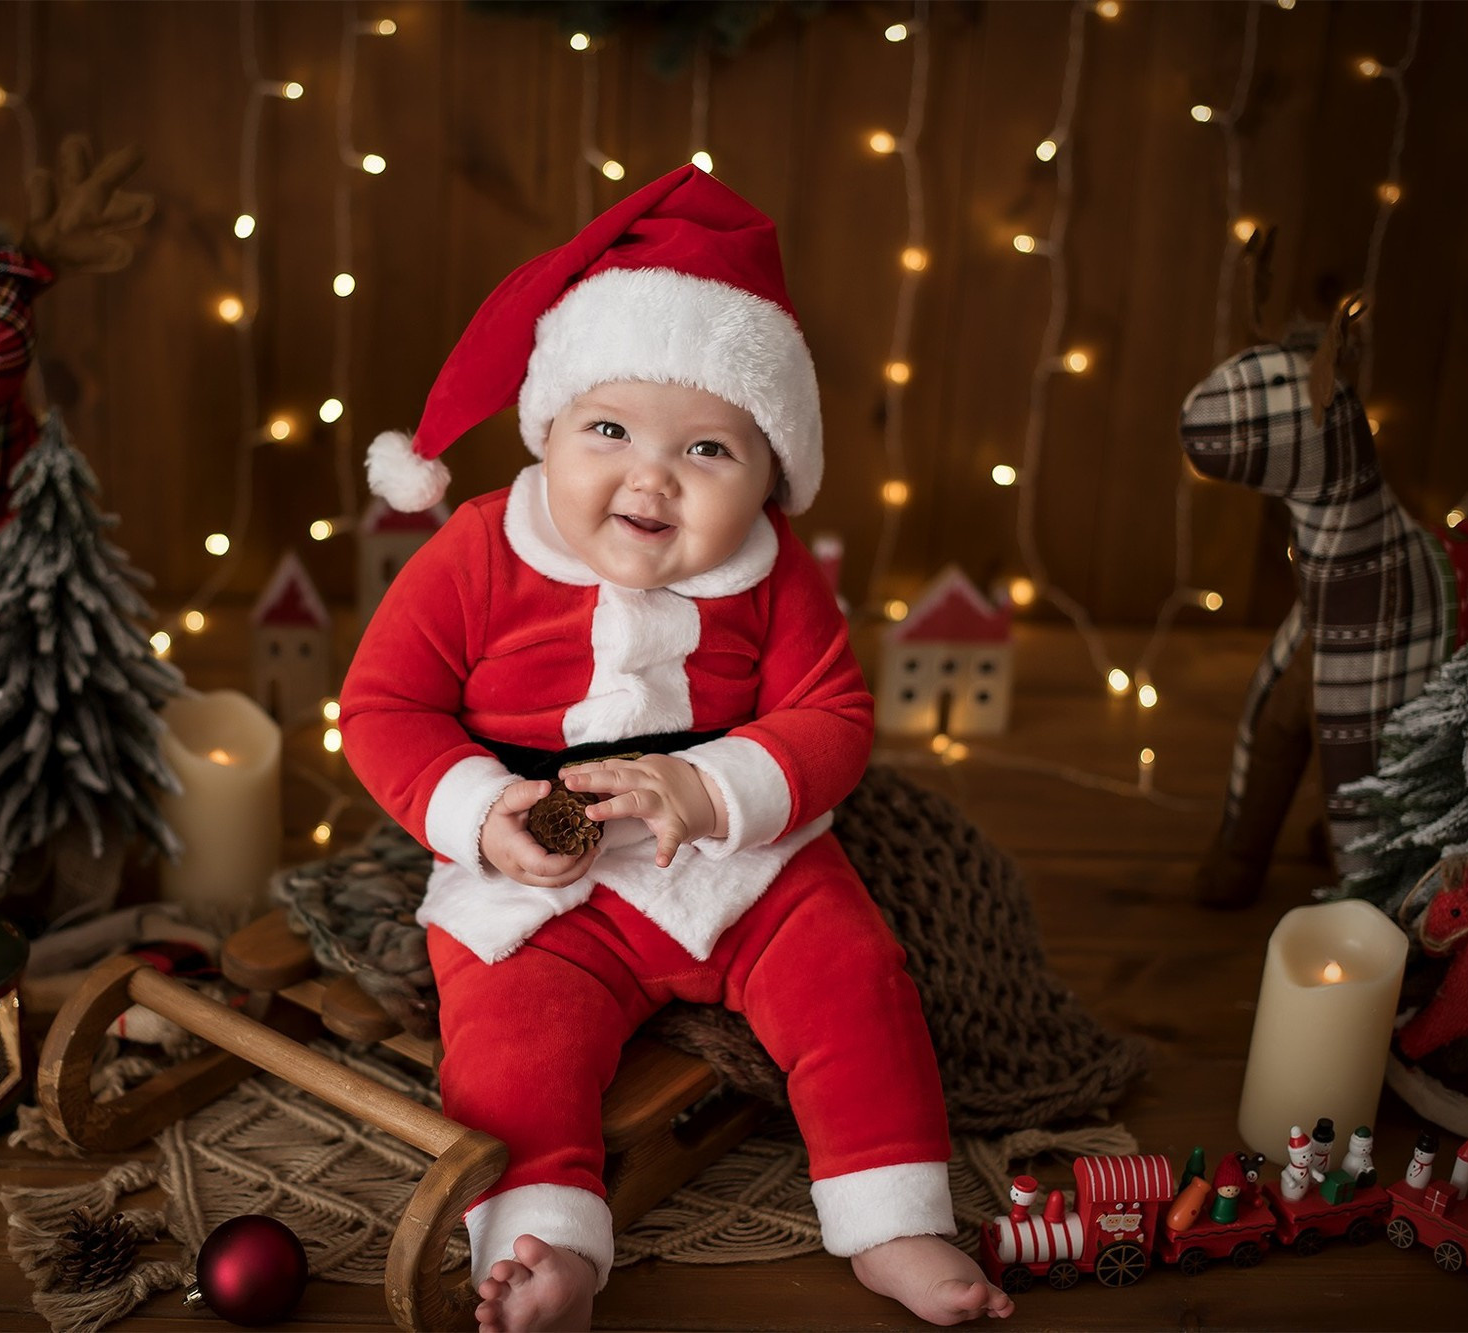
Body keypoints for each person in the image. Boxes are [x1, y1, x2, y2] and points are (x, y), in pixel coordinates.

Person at [340, 166, 1008, 1330]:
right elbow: (384, 707)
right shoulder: (479, 552)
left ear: (768, 476)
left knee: (854, 977)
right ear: (547, 427)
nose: (649, 476)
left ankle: (892, 1215)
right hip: (545, 877)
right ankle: (546, 1243)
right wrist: (479, 812)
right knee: (505, 1036)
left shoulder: (773, 569)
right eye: (608, 429)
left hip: (741, 857)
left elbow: (834, 715)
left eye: (708, 451)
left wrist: (708, 787)